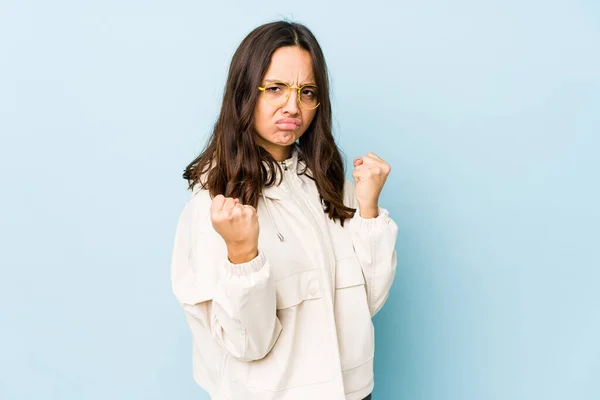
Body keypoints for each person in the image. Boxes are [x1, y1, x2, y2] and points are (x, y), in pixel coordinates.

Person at [170, 20, 398, 400]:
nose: (292, 106)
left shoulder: (330, 185)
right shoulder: (213, 207)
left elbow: (368, 304)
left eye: (307, 92)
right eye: (274, 88)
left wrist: (368, 209)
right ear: (245, 92)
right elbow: (249, 345)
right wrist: (242, 256)